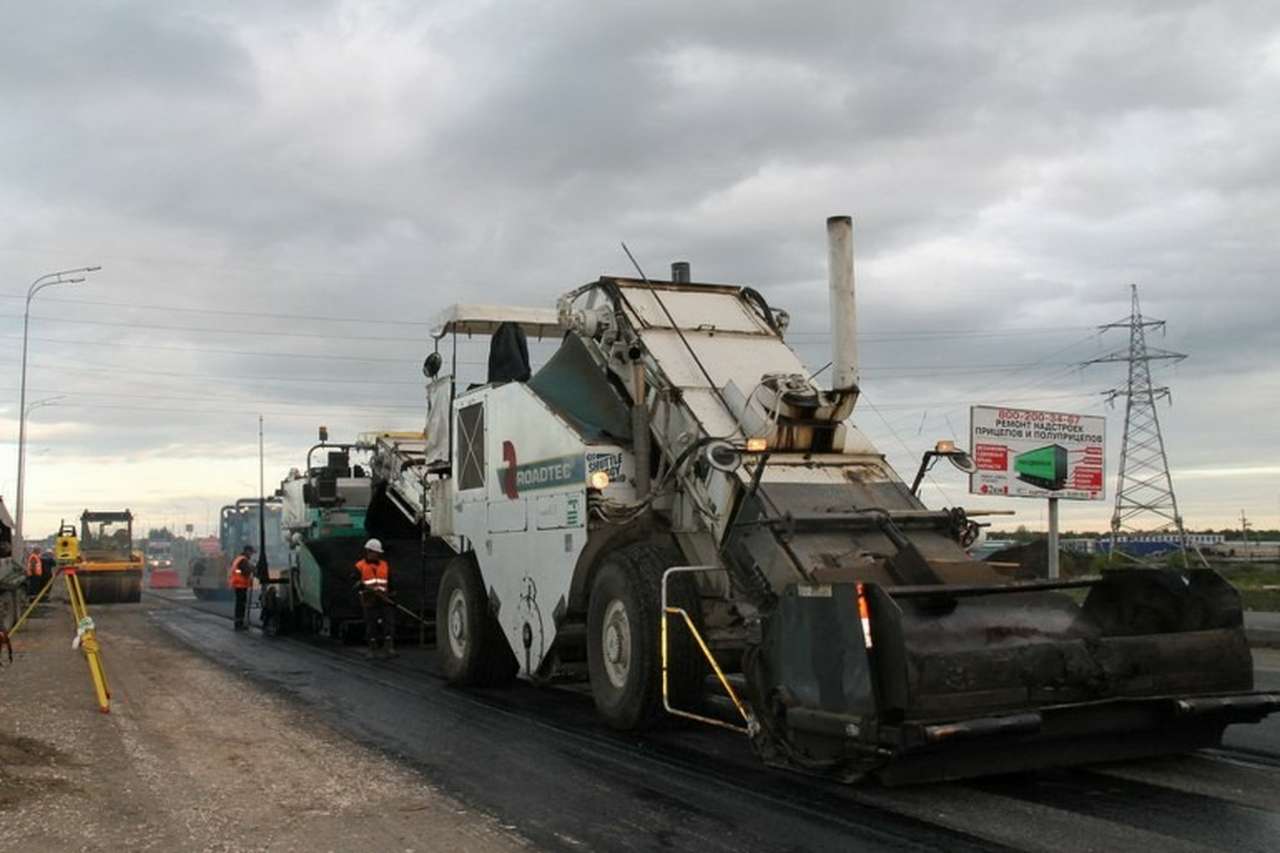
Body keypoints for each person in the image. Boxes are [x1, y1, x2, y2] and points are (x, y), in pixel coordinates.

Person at [354, 539, 395, 658]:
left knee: (388, 623)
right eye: (374, 552)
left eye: (378, 553)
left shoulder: (384, 565)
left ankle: (389, 647)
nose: (376, 555)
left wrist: (392, 593)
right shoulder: (360, 566)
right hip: (369, 599)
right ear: (368, 551)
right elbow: (354, 580)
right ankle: (372, 649)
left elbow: (390, 581)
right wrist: (359, 584)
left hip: (384, 599)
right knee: (371, 624)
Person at [229, 545, 255, 631]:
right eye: (251, 552)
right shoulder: (243, 560)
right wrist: (252, 568)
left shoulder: (239, 558)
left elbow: (236, 570)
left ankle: (238, 623)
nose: (251, 555)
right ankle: (239, 624)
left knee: (239, 605)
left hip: (238, 585)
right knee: (241, 605)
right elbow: (244, 571)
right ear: (247, 551)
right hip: (240, 585)